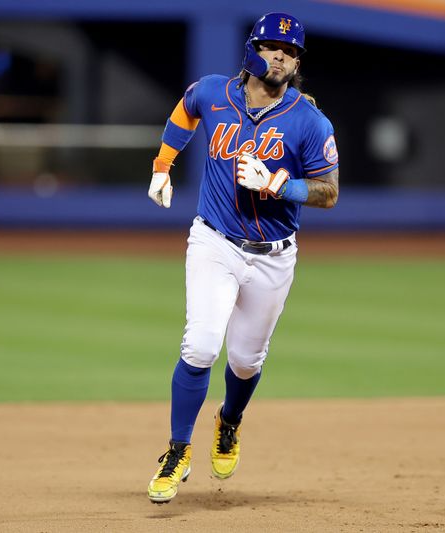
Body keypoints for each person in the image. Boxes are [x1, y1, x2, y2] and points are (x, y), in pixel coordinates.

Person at [145, 12, 339, 504]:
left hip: (274, 257)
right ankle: (176, 450)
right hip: (214, 241)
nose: (282, 56)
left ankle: (228, 421)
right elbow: (186, 109)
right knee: (201, 346)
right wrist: (163, 164)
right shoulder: (214, 91)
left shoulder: (309, 120)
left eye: (292, 51)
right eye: (274, 45)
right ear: (253, 48)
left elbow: (329, 192)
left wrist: (281, 185)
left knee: (246, 361)